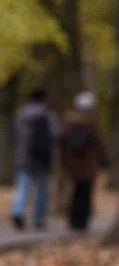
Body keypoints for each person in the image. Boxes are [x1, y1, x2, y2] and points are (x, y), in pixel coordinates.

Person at [10, 88, 60, 231]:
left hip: (23, 157)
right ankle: (39, 219)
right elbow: (56, 133)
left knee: (22, 187)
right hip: (42, 158)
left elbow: (15, 135)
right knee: (42, 190)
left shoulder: (21, 113)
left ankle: (18, 211)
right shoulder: (48, 114)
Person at [61, 91, 109, 233]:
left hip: (73, 165)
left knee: (75, 191)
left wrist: (64, 162)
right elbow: (100, 143)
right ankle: (82, 220)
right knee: (86, 192)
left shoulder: (68, 122)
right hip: (89, 164)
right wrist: (104, 161)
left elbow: (62, 143)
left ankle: (73, 218)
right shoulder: (93, 123)